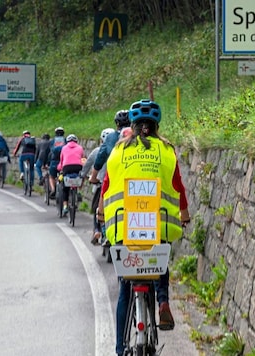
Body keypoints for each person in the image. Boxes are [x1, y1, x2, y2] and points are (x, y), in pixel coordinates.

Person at [97, 100, 191, 356]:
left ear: (133, 126)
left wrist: (101, 213)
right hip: (157, 226)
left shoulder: (118, 151)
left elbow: (107, 185)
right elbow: (178, 186)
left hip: (123, 228)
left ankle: (119, 349)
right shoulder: (167, 150)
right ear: (156, 125)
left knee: (125, 289)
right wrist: (184, 213)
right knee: (158, 259)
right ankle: (162, 301)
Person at [80, 127, 115, 245]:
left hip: (102, 185)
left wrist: (85, 176)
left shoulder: (97, 151)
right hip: (119, 186)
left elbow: (88, 166)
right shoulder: (120, 151)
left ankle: (97, 231)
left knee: (97, 208)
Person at [89, 110, 130, 184]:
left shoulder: (111, 137)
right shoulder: (139, 136)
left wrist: (93, 177)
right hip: (134, 175)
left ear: (117, 123)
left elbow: (100, 158)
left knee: (104, 194)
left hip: (114, 177)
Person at [57, 134, 84, 216]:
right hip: (78, 166)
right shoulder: (80, 148)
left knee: (65, 187)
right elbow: (82, 158)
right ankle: (79, 190)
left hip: (66, 167)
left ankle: (65, 206)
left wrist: (60, 169)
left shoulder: (64, 148)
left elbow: (61, 161)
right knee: (81, 176)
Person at [46, 127, 66, 199]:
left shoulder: (53, 141)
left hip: (54, 162)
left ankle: (53, 189)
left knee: (51, 176)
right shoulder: (65, 140)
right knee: (64, 175)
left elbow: (49, 153)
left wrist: (47, 162)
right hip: (63, 162)